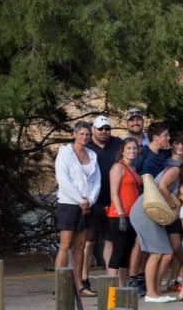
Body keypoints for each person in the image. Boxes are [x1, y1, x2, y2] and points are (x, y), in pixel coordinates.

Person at [129, 155, 183, 302]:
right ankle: (151, 293)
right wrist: (175, 205)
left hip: (155, 214)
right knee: (158, 253)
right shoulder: (176, 170)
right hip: (145, 210)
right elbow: (162, 187)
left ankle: (156, 291)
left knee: (166, 253)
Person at [55, 121, 102, 297]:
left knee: (80, 246)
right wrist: (78, 199)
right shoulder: (65, 152)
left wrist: (89, 200)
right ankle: (61, 286)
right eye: (81, 134)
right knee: (65, 245)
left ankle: (79, 285)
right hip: (69, 203)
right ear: (75, 134)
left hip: (87, 204)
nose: (85, 137)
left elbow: (97, 180)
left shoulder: (92, 155)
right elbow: (63, 179)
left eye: (87, 134)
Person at [83, 115, 123, 290]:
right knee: (89, 241)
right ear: (93, 130)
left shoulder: (117, 144)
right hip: (94, 200)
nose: (104, 132)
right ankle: (83, 278)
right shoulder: (86, 146)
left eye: (107, 128)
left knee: (110, 241)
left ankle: (111, 279)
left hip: (113, 200)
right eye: (100, 129)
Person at [104, 137, 140, 288]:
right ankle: (111, 288)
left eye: (134, 148)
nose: (132, 151)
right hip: (119, 215)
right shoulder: (118, 167)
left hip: (132, 215)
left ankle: (122, 287)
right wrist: (120, 215)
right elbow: (114, 193)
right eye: (129, 148)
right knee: (117, 252)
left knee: (126, 252)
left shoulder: (133, 169)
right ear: (122, 151)